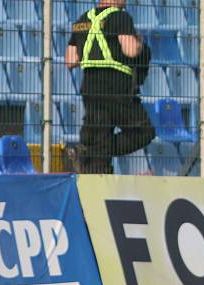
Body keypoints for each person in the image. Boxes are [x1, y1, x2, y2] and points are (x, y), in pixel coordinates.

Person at [65, 0, 155, 173]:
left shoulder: (83, 19)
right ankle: (90, 153)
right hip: (116, 86)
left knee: (100, 135)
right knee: (143, 132)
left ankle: (91, 160)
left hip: (90, 86)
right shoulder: (120, 17)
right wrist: (139, 43)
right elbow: (131, 50)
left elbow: (70, 60)